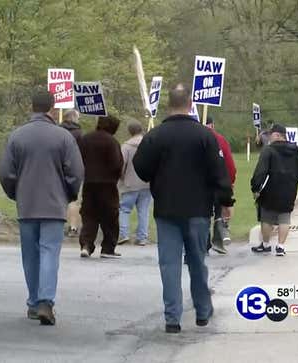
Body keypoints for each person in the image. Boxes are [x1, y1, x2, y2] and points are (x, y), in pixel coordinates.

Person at [133, 84, 234, 334]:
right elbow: (219, 172)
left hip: (166, 208)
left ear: (169, 105)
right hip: (198, 209)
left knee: (169, 265)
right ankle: (202, 311)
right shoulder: (205, 136)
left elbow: (141, 169)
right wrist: (225, 201)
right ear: (191, 105)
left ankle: (172, 317)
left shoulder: (156, 136)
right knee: (198, 261)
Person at [0, 90, 84, 326]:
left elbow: (5, 171)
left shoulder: (17, 136)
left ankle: (34, 302)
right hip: (54, 204)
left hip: (27, 204)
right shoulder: (63, 137)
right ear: (52, 108)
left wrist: (15, 192)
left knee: (30, 255)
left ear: (31, 106)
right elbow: (76, 171)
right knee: (49, 253)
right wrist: (68, 193)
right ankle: (46, 301)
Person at [250, 124, 298, 257]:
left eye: (271, 134)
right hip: (289, 188)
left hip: (271, 188)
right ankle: (280, 246)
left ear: (277, 135)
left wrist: (256, 187)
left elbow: (261, 171)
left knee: (267, 218)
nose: (269, 137)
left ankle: (266, 244)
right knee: (284, 218)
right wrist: (293, 181)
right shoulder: (295, 150)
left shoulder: (268, 150)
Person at [78, 115, 124, 259]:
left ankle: (86, 244)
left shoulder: (85, 139)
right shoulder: (112, 142)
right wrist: (116, 176)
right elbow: (117, 164)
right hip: (108, 185)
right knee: (110, 217)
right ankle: (108, 248)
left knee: (89, 215)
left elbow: (77, 159)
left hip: (89, 183)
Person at [117, 120, 152, 246]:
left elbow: (121, 165)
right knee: (143, 210)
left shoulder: (126, 147)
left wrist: (121, 178)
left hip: (129, 183)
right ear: (141, 130)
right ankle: (142, 237)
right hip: (146, 183)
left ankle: (124, 234)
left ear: (129, 131)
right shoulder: (149, 144)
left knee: (125, 209)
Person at [205, 116, 236, 255]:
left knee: (203, 213)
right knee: (218, 211)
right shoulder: (220, 139)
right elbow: (229, 163)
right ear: (212, 124)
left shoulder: (192, 137)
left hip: (201, 183)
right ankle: (218, 241)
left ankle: (203, 243)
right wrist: (230, 181)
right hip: (219, 182)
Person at [60, 109, 83, 237]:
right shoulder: (79, 133)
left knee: (59, 198)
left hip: (58, 169)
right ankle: (73, 228)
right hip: (74, 169)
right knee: (74, 200)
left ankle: (58, 225)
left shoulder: (57, 131)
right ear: (74, 118)